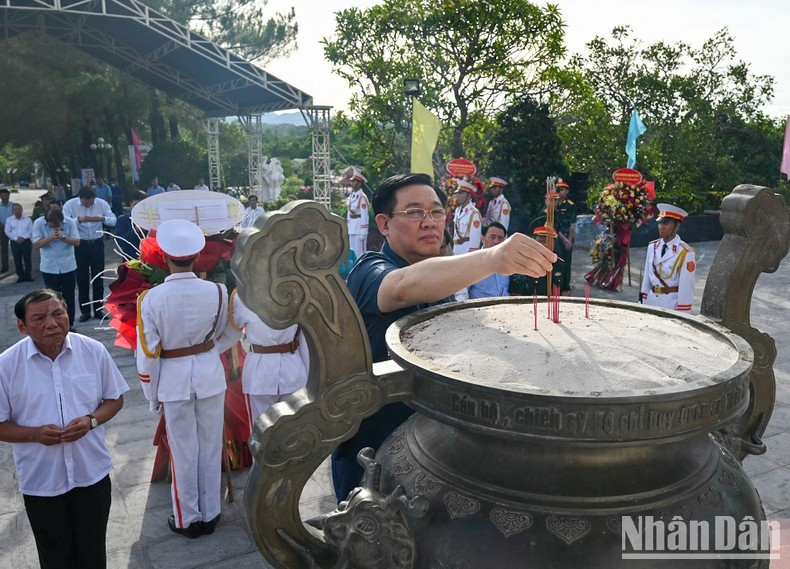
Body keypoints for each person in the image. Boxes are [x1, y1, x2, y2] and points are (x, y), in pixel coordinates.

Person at [332, 173, 556, 501]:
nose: (429, 222)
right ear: (383, 224)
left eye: (436, 212)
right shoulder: (370, 269)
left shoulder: (440, 279)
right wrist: (493, 257)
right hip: (374, 455)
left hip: (429, 449)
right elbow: (401, 287)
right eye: (413, 212)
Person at [0, 289, 128, 569]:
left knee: (93, 551)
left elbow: (115, 398)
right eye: (39, 318)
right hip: (42, 480)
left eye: (58, 313)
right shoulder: (6, 365)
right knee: (55, 556)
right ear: (22, 326)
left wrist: (91, 420)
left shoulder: (92, 350)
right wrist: (34, 434)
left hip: (91, 473)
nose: (52, 323)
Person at [136, 219, 229, 538]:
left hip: (173, 381)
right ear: (197, 256)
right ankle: (211, 513)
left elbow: (148, 353)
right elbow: (227, 334)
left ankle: (187, 518)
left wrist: (151, 395)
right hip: (209, 374)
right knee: (210, 445)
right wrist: (208, 350)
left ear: (163, 257)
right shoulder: (218, 291)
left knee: (184, 450)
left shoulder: (150, 299)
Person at [216, 290, 309, 433]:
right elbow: (305, 339)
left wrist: (208, 352)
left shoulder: (244, 296)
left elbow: (231, 335)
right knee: (292, 433)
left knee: (262, 434)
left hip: (261, 374)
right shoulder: (297, 292)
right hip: (292, 369)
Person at [63, 187, 116, 322]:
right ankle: (85, 311)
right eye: (85, 203)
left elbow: (113, 220)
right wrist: (79, 220)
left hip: (97, 243)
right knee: (82, 278)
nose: (88, 205)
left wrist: (101, 218)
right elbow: (64, 222)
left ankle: (98, 309)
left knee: (98, 276)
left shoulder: (102, 203)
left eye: (91, 203)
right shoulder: (70, 204)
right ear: (80, 198)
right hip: (79, 244)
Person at [640, 203, 696, 311]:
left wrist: (682, 315)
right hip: (650, 302)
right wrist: (642, 303)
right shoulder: (652, 247)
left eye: (666, 223)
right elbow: (646, 280)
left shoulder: (685, 253)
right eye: (660, 222)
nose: (661, 226)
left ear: (677, 225)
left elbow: (686, 289)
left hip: (669, 306)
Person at [33, 209, 80, 330]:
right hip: (49, 267)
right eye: (52, 225)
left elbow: (77, 242)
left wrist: (63, 237)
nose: (55, 227)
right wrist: (50, 238)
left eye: (58, 224)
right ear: (46, 221)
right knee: (51, 298)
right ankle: (55, 324)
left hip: (68, 265)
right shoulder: (38, 223)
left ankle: (70, 324)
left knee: (69, 296)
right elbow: (36, 244)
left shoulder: (69, 222)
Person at [509, 221, 565, 296]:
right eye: (542, 241)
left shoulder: (560, 264)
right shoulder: (522, 263)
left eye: (550, 241)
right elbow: (515, 296)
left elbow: (565, 291)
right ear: (533, 241)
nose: (545, 245)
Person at [468, 222, 510, 299]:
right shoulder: (472, 261)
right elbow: (462, 293)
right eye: (492, 237)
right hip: (480, 308)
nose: (496, 241)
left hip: (505, 307)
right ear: (483, 239)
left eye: (500, 238)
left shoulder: (509, 262)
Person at [553, 178, 577, 294]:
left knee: (566, 263)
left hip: (566, 238)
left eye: (562, 189)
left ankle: (565, 287)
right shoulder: (554, 204)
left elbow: (572, 225)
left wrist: (570, 241)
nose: (559, 192)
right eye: (557, 189)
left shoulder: (571, 206)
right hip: (556, 238)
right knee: (556, 262)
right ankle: (557, 284)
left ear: (567, 191)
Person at [451, 179, 482, 255]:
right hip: (456, 249)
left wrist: (471, 255)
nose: (458, 196)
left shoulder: (474, 213)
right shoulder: (457, 210)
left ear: (469, 195)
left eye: (461, 193)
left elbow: (475, 237)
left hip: (466, 250)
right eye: (457, 193)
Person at [114, 190, 147, 259]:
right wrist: (135, 230)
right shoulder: (122, 219)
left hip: (150, 260)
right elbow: (120, 241)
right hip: (130, 260)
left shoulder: (152, 220)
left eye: (142, 205)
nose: (138, 208)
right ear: (130, 203)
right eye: (136, 204)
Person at [5, 203, 34, 282]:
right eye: (15, 209)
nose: (17, 211)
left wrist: (23, 237)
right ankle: (20, 276)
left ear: (22, 209)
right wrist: (15, 238)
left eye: (19, 209)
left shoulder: (27, 219)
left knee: (27, 258)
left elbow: (31, 230)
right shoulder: (9, 220)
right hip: (15, 242)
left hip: (26, 241)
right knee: (17, 259)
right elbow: (7, 231)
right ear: (13, 211)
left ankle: (28, 275)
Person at [345, 168, 370, 259]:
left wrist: (364, 231)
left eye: (354, 182)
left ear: (359, 183)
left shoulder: (362, 198)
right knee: (352, 252)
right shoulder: (352, 196)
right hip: (352, 228)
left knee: (360, 253)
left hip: (359, 228)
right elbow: (349, 213)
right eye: (352, 182)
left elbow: (364, 215)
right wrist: (347, 227)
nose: (352, 183)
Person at [0, 187, 14, 273]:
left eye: (6, 195)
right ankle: (5, 266)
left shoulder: (13, 205)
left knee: (16, 248)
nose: (4, 197)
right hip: (1, 230)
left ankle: (20, 265)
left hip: (13, 229)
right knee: (4, 249)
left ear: (9, 196)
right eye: (2, 195)